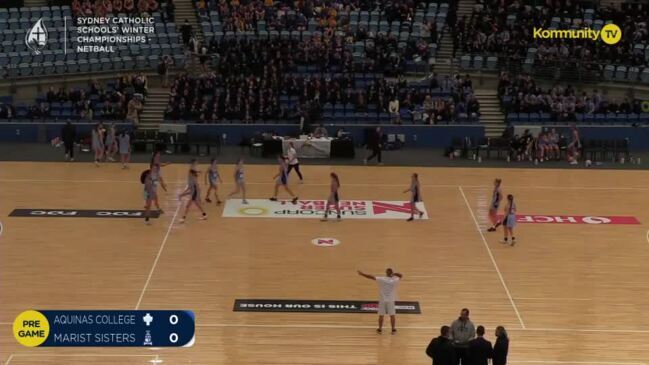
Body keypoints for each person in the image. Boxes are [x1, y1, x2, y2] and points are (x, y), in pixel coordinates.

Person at [357, 268, 402, 334]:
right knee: (392, 315)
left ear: (386, 273)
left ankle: (380, 329)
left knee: (381, 315)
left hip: (382, 300)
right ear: (392, 273)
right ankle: (393, 330)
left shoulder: (382, 279)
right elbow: (401, 275)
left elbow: (371, 277)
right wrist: (394, 274)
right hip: (391, 300)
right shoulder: (394, 280)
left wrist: (362, 274)